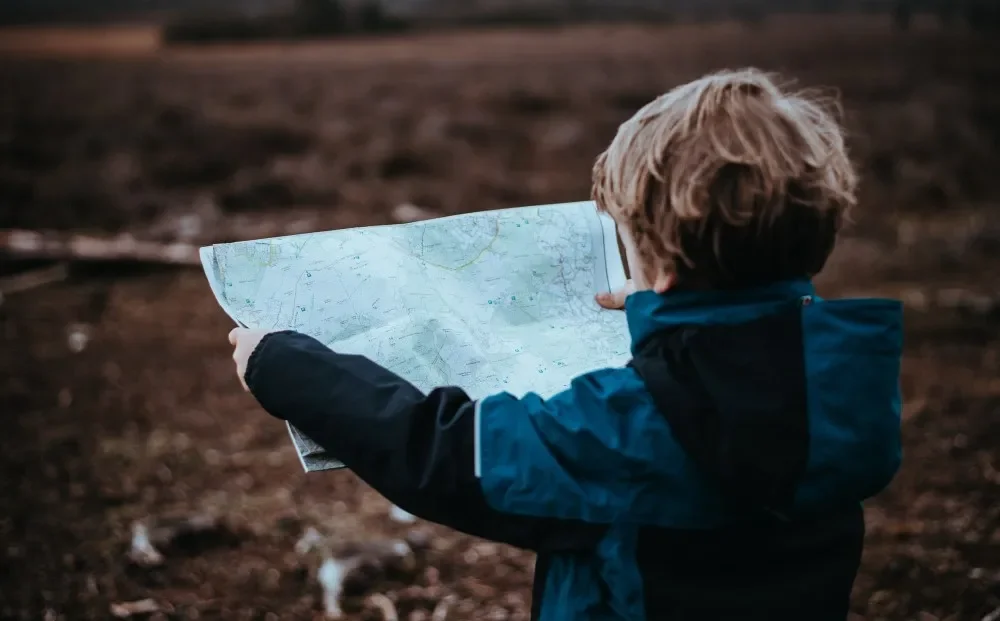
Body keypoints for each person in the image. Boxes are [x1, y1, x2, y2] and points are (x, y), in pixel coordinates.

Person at [228, 68, 902, 620]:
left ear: (660, 263)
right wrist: (660, 310)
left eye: (628, 244)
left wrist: (284, 365)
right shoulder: (846, 387)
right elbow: (741, 359)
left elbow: (448, 453)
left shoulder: (628, 426)